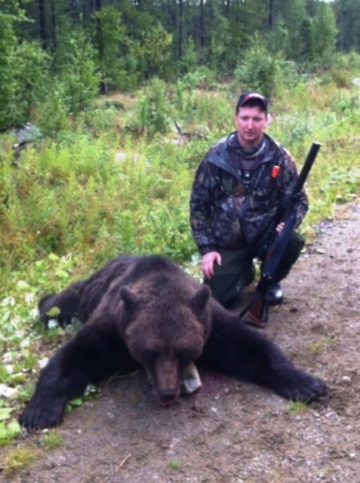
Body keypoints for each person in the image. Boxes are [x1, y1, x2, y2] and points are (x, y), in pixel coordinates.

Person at [190, 92, 307, 309]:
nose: (250, 125)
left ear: (266, 121)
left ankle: (269, 280)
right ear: (236, 119)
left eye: (257, 119)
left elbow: (299, 201)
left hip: (265, 236)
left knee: (291, 241)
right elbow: (199, 206)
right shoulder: (216, 157)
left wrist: (290, 223)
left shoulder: (280, 157)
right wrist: (207, 249)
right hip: (228, 241)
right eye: (245, 118)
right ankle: (243, 272)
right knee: (216, 301)